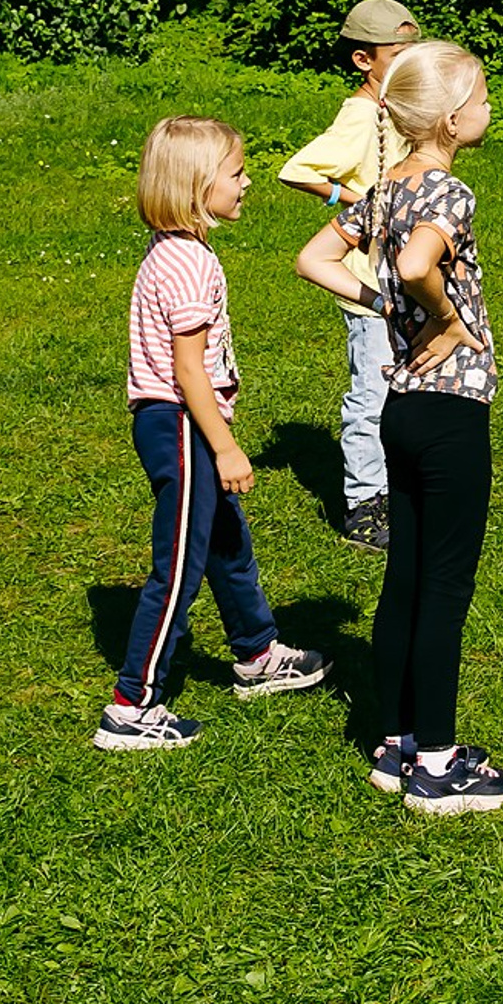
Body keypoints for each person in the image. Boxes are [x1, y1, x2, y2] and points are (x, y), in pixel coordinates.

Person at [297, 40, 503, 817]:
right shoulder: (445, 191)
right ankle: (436, 765)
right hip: (450, 408)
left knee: (405, 575)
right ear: (452, 120)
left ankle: (396, 745)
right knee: (446, 586)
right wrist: (443, 316)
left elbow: (314, 259)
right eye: (483, 97)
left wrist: (382, 309)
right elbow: (417, 264)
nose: (489, 107)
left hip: (401, 409)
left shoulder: (385, 187)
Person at [96, 117, 331, 749]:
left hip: (178, 422)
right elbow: (188, 369)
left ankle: (257, 654)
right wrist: (224, 447)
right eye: (236, 173)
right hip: (181, 423)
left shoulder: (174, 250)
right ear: (197, 187)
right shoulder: (189, 264)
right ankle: (132, 705)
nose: (247, 182)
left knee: (226, 540)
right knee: (178, 567)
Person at [277, 0, 422, 551]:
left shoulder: (395, 107)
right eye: (397, 54)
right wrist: (353, 200)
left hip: (404, 276)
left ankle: (399, 488)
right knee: (372, 396)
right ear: (364, 60)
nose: (408, 62)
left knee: (403, 388)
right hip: (367, 284)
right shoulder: (360, 115)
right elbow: (297, 169)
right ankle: (365, 506)